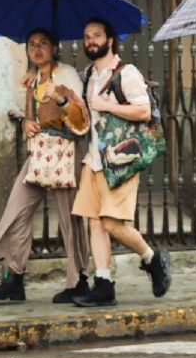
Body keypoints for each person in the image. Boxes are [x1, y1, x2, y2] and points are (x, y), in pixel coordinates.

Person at [0, 29, 91, 304]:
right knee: (16, 210)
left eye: (44, 43)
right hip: (39, 154)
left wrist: (61, 100)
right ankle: (14, 277)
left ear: (55, 48)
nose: (37, 48)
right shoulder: (31, 79)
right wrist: (25, 122)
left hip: (65, 154)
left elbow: (81, 118)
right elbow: (26, 114)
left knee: (71, 220)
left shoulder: (65, 75)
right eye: (32, 44)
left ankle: (78, 281)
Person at [70, 18, 171, 307]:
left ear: (110, 39)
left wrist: (107, 105)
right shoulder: (88, 75)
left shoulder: (127, 73)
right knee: (95, 223)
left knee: (113, 224)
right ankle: (104, 284)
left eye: (97, 35)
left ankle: (152, 259)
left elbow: (143, 111)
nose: (91, 41)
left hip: (120, 160)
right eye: (87, 36)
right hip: (93, 160)